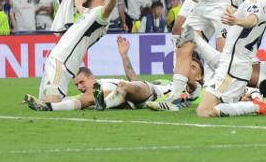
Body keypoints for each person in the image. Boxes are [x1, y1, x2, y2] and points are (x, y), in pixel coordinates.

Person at [25, 36, 203, 111]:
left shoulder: (197, 89)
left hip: (150, 95)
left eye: (192, 67)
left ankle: (105, 103)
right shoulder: (166, 81)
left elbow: (195, 89)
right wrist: (124, 55)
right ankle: (50, 107)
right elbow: (136, 81)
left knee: (119, 88)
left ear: (200, 76)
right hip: (146, 94)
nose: (187, 68)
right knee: (91, 97)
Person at [195, 0, 266, 118]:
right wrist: (233, 13)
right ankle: (253, 104)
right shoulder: (258, 3)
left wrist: (237, 20)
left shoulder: (254, 3)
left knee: (204, 112)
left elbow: (252, 20)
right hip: (237, 65)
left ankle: (256, 106)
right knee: (219, 108)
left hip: (232, 68)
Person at [30, 0, 124, 106]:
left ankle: (81, 101)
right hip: (54, 60)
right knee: (43, 104)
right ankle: (74, 101)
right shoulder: (87, 13)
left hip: (62, 63)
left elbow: (108, 8)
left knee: (51, 105)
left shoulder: (100, 15)